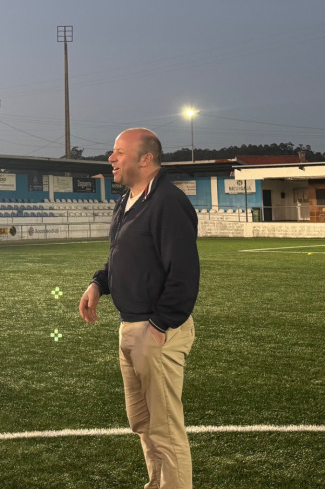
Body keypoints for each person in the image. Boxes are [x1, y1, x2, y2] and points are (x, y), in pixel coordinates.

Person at [80, 128, 199, 489]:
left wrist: (159, 326)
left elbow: (184, 274)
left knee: (165, 430)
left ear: (146, 159)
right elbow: (124, 257)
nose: (111, 158)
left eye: (119, 152)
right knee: (144, 424)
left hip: (156, 331)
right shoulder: (127, 200)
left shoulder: (168, 201)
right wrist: (99, 283)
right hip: (130, 327)